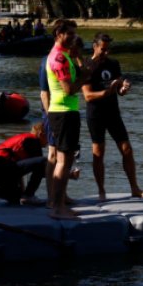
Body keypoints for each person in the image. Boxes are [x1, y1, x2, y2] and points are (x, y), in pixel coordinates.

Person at [82, 33, 143, 201]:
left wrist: (123, 89)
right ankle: (101, 191)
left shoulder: (113, 64)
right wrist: (108, 91)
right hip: (95, 114)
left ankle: (135, 188)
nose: (106, 53)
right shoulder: (86, 65)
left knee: (126, 149)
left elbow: (119, 90)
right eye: (102, 50)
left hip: (113, 112)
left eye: (108, 50)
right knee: (98, 152)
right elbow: (88, 96)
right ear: (95, 46)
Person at [46, 19, 98, 219]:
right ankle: (58, 208)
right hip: (63, 112)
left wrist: (79, 61)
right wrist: (84, 76)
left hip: (66, 112)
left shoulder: (65, 55)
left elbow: (84, 66)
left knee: (65, 160)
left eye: (75, 34)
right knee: (63, 161)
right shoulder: (58, 58)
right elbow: (68, 89)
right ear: (59, 33)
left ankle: (60, 204)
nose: (74, 38)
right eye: (70, 34)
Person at [0, 123, 47, 207]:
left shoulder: (25, 138)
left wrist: (22, 193)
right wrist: (64, 174)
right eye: (49, 137)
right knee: (42, 161)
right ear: (40, 134)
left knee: (16, 197)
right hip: (1, 169)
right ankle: (29, 196)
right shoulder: (33, 140)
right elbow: (43, 170)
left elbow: (21, 168)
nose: (50, 141)